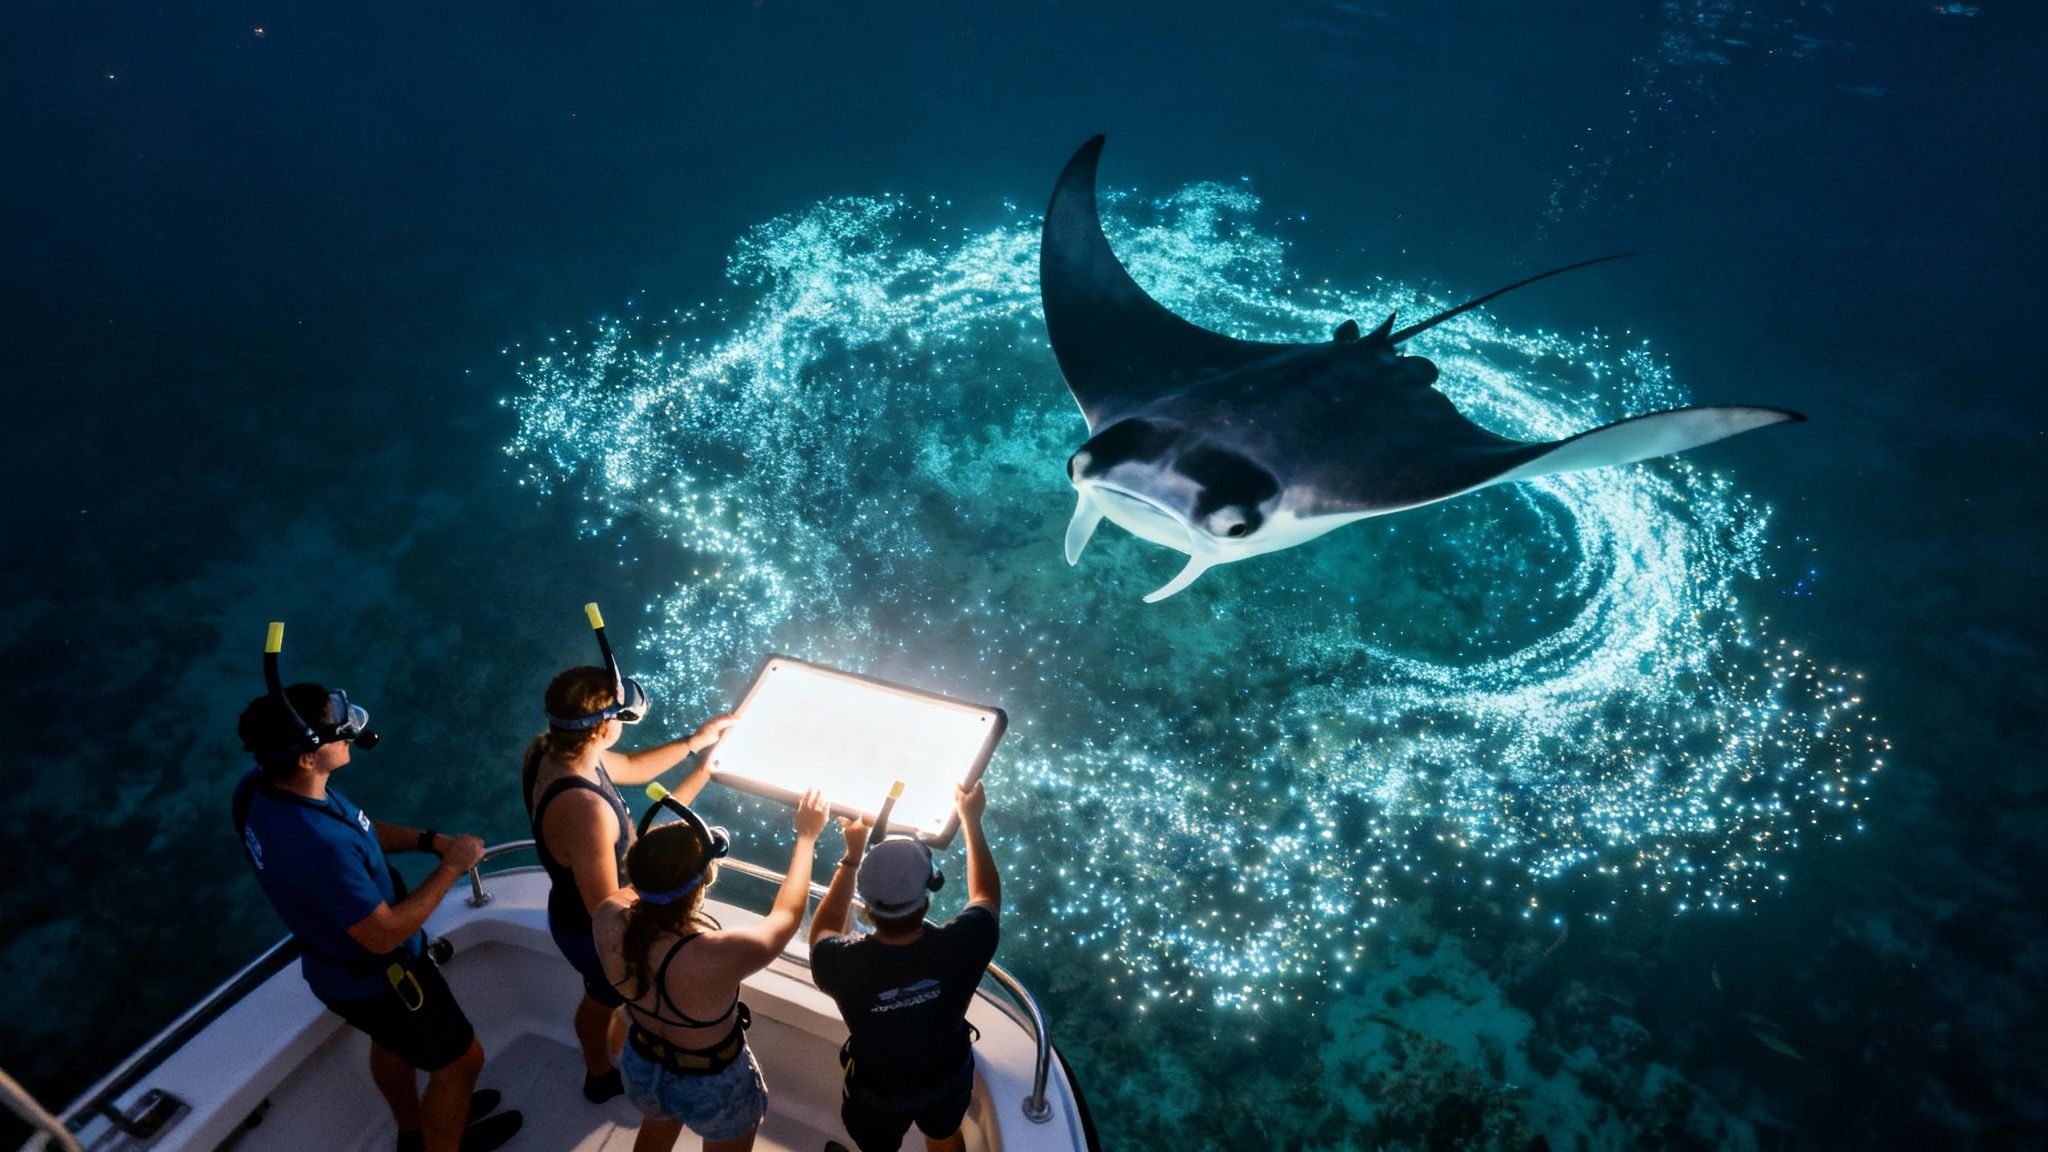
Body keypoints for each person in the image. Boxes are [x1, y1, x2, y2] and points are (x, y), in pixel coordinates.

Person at [235, 678, 522, 1152]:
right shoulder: (318, 845)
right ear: (307, 757)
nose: (349, 729)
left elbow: (360, 830)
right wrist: (453, 865)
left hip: (338, 971)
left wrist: (428, 842)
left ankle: (414, 1132)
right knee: (461, 1064)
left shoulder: (258, 789)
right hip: (384, 979)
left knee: (393, 1044)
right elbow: (383, 934)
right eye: (336, 726)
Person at [523, 661, 736, 1102]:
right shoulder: (587, 811)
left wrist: (696, 745)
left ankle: (611, 1050)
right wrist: (680, 853)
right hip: (593, 933)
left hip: (574, 912)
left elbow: (635, 767)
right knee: (602, 998)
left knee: (609, 998)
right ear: (602, 728)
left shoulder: (552, 752)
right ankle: (599, 1073)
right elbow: (608, 908)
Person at [594, 786, 830, 1152]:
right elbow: (787, 914)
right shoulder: (718, 955)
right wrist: (807, 837)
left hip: (642, 1061)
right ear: (704, 882)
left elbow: (641, 884)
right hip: (711, 1082)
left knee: (655, 1130)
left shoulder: (607, 916)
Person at [808, 781, 1000, 1152]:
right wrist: (972, 821)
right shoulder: (963, 946)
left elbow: (825, 930)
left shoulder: (839, 965)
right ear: (925, 902)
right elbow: (987, 896)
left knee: (876, 1145)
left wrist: (852, 857)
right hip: (944, 1079)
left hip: (876, 1090)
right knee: (944, 1134)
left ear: (864, 908)